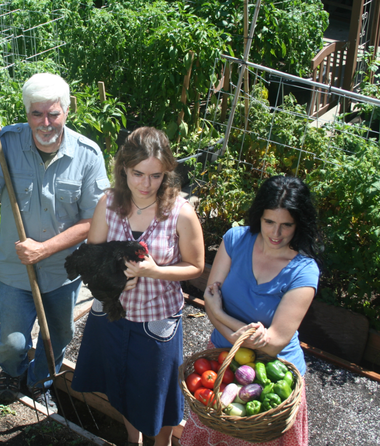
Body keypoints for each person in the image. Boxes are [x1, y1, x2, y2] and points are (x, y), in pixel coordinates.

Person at [0, 73, 110, 409]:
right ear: (27, 112)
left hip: (63, 272)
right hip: (16, 269)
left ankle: (40, 382)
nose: (45, 123)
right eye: (37, 114)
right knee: (12, 342)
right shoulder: (7, 144)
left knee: (57, 337)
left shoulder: (87, 155)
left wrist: (44, 249)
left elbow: (94, 221)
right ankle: (13, 371)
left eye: (53, 114)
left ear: (66, 111)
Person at [71, 127, 205, 446]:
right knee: (121, 382)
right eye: (137, 174)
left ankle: (162, 443)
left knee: (157, 389)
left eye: (155, 176)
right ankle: (134, 440)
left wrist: (155, 271)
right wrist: (114, 278)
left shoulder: (180, 214)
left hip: (156, 318)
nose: (146, 185)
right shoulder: (109, 203)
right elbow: (93, 255)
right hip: (114, 316)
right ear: (124, 169)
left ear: (166, 173)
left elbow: (196, 266)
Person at [179, 175, 321, 446]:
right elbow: (210, 298)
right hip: (222, 364)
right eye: (269, 222)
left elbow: (273, 344)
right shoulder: (235, 240)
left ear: (299, 224)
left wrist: (220, 315)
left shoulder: (304, 270)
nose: (276, 234)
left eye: (286, 225)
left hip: (273, 376)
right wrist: (234, 329)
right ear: (259, 216)